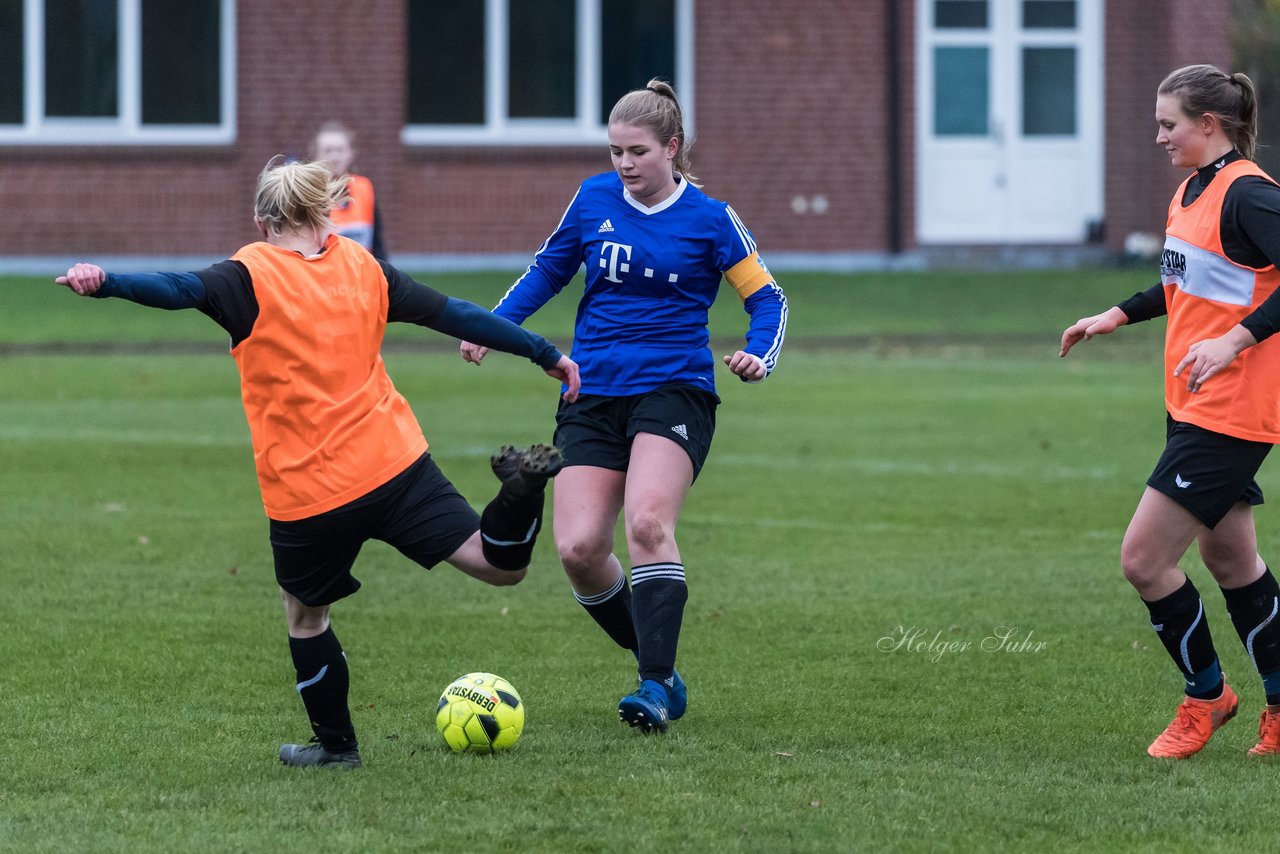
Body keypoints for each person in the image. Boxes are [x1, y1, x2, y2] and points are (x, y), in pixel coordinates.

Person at [55, 157, 581, 769]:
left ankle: (337, 749)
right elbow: (452, 312)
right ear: (326, 212)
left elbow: (176, 289)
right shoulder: (363, 267)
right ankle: (518, 494)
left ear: (261, 220)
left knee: (306, 617)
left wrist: (106, 280)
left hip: (310, 493)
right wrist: (543, 350)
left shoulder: (245, 274)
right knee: (498, 565)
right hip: (394, 464)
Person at [459, 79, 788, 733]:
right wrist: (494, 327)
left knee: (645, 526)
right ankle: (658, 661)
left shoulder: (710, 218)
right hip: (592, 390)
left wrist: (758, 353)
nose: (623, 165)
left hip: (675, 389)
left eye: (635, 151)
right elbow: (548, 269)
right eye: (614, 152)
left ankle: (654, 687)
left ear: (672, 147)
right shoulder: (593, 199)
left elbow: (768, 299)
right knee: (580, 548)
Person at [1061, 65, 1280, 758]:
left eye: (1168, 124)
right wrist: (1117, 314)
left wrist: (1235, 340)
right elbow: (1184, 279)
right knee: (1231, 560)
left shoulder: (1249, 194)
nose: (1159, 137)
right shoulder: (1193, 190)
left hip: (1233, 407)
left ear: (1208, 126)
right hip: (1192, 403)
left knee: (1143, 559)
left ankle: (1207, 696)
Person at [312, 121, 388, 260]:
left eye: (340, 150)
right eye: (328, 151)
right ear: (316, 155)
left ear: (350, 154)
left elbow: (377, 242)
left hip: (362, 274)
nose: (335, 158)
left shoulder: (364, 188)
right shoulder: (308, 194)